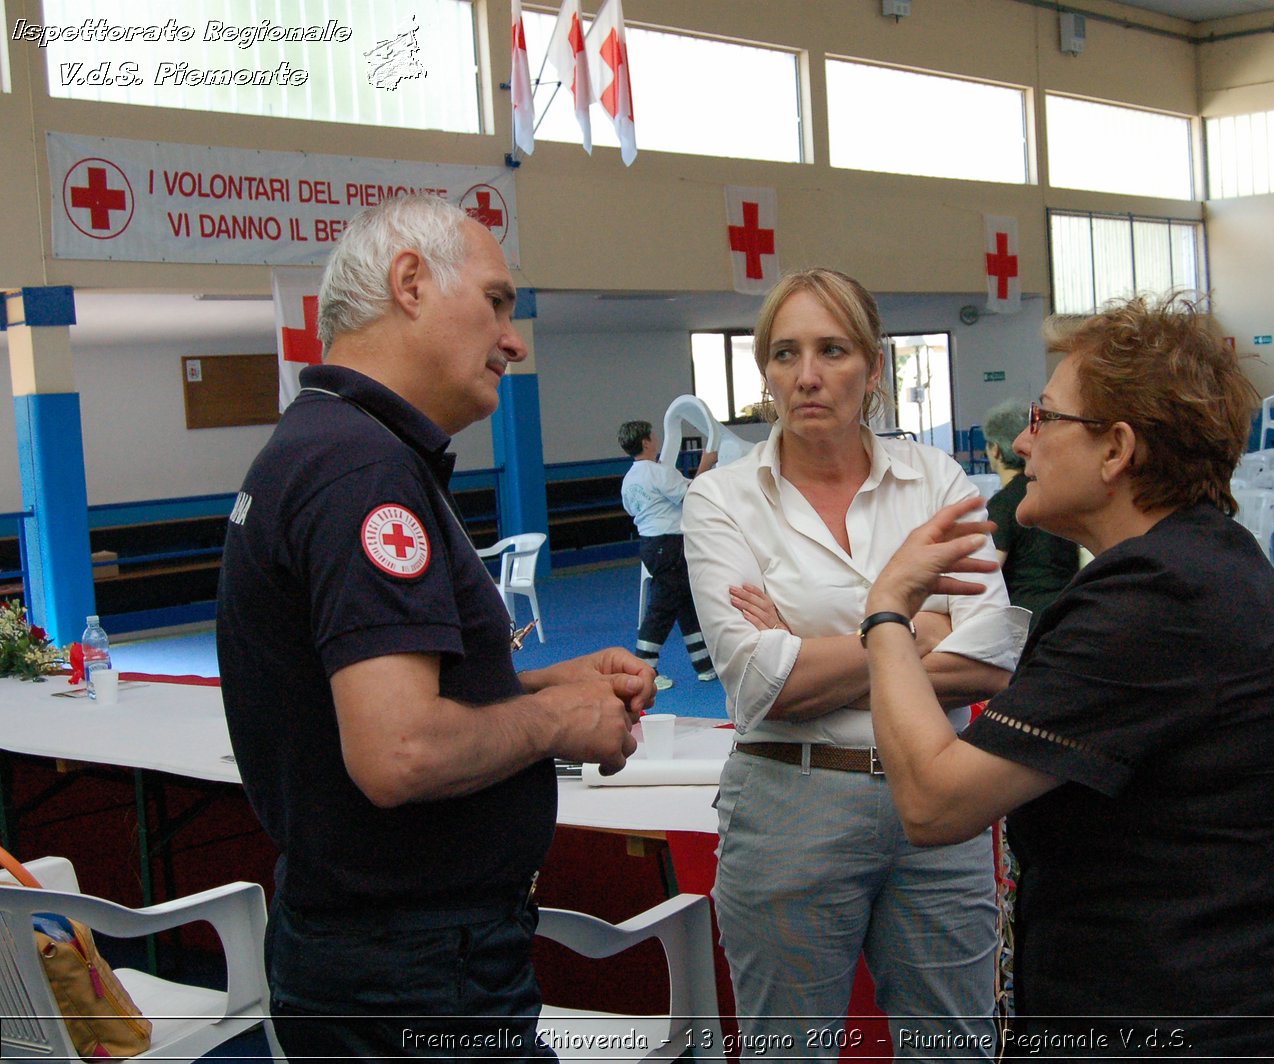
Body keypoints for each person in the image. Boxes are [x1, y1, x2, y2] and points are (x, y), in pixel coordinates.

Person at [217, 194, 653, 1060]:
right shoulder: (360, 469)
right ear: (410, 283)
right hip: (414, 965)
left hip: (383, 954)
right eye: (496, 301)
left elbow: (368, 699)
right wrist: (561, 723)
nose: (514, 338)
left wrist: (534, 686)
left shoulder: (327, 446)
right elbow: (399, 751)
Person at [860, 294, 1274, 1058]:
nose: (1025, 445)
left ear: (1116, 450)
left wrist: (885, 611)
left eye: (1046, 419)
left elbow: (933, 800)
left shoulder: (1156, 596)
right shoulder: (1199, 561)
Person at [682, 268, 1026, 1058]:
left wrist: (812, 640)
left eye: (832, 350)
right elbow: (762, 684)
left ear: (874, 369)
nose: (806, 375)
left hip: (942, 800)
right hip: (788, 807)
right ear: (765, 370)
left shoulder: (932, 479)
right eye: (784, 353)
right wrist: (909, 622)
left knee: (956, 1050)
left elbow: (989, 659)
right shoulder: (723, 500)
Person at [619, 419, 719, 688]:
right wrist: (706, 465)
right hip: (670, 545)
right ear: (646, 442)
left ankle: (704, 664)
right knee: (662, 608)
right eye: (653, 434)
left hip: (651, 544)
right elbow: (692, 493)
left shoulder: (630, 478)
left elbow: (632, 509)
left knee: (686, 601)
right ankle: (645, 669)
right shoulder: (659, 472)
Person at [981, 399, 1080, 631]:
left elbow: (988, 573)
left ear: (995, 449)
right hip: (1067, 610)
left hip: (1025, 620)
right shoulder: (1055, 493)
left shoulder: (1003, 504)